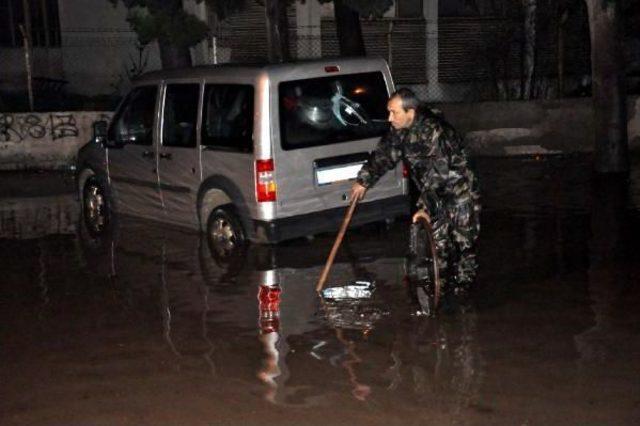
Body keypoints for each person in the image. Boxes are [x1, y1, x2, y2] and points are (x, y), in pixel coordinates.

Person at [351, 88, 480, 291]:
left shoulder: (434, 132)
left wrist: (424, 208)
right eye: (389, 111)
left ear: (410, 112)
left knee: (463, 244)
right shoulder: (400, 129)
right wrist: (364, 179)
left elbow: (437, 175)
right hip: (433, 193)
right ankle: (441, 290)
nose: (389, 117)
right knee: (437, 245)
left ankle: (464, 294)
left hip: (458, 192)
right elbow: (385, 153)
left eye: (394, 112)